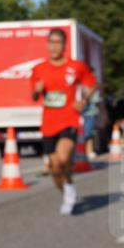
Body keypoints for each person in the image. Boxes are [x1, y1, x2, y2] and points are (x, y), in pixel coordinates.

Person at [30, 27, 97, 215]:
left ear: (64, 45)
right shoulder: (39, 69)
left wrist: (83, 100)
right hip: (48, 123)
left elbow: (92, 84)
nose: (54, 46)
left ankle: (68, 189)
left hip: (69, 119)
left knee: (63, 158)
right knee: (55, 169)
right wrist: (37, 89)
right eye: (51, 42)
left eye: (58, 42)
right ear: (47, 44)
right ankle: (68, 188)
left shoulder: (76, 67)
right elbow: (34, 96)